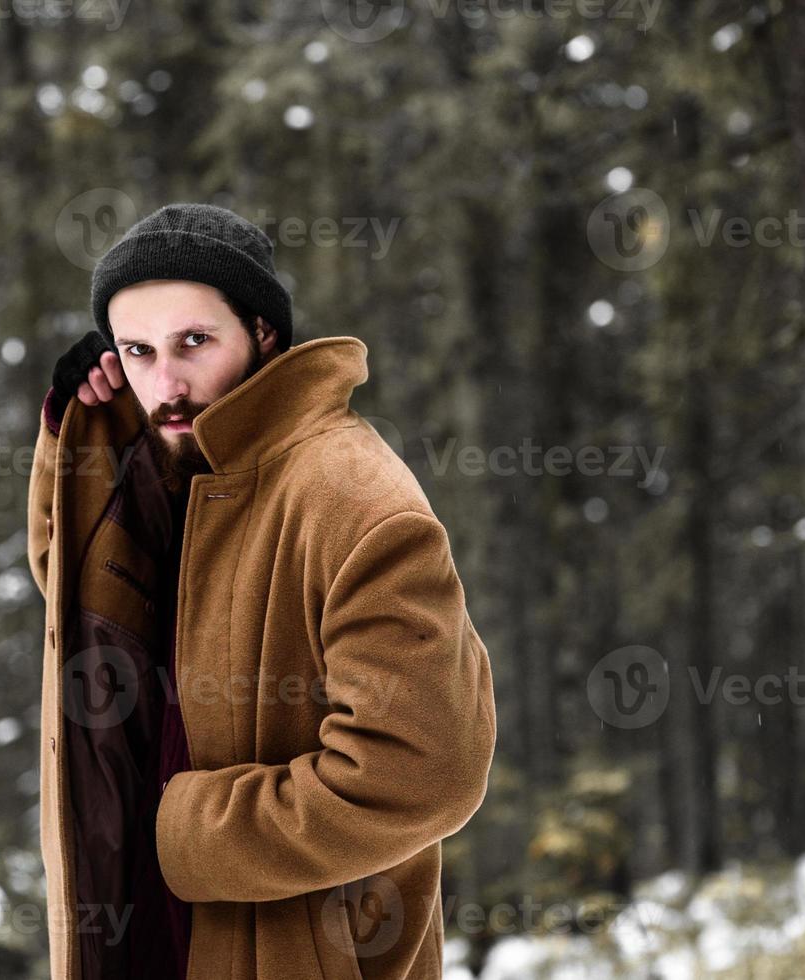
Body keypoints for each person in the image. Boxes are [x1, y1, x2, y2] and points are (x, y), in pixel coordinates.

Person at [27, 202, 496, 980]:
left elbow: (424, 773)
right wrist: (80, 437)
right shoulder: (174, 469)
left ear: (264, 334)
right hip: (143, 943)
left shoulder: (354, 499)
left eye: (194, 342)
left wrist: (188, 834)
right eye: (137, 351)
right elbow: (75, 604)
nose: (165, 382)